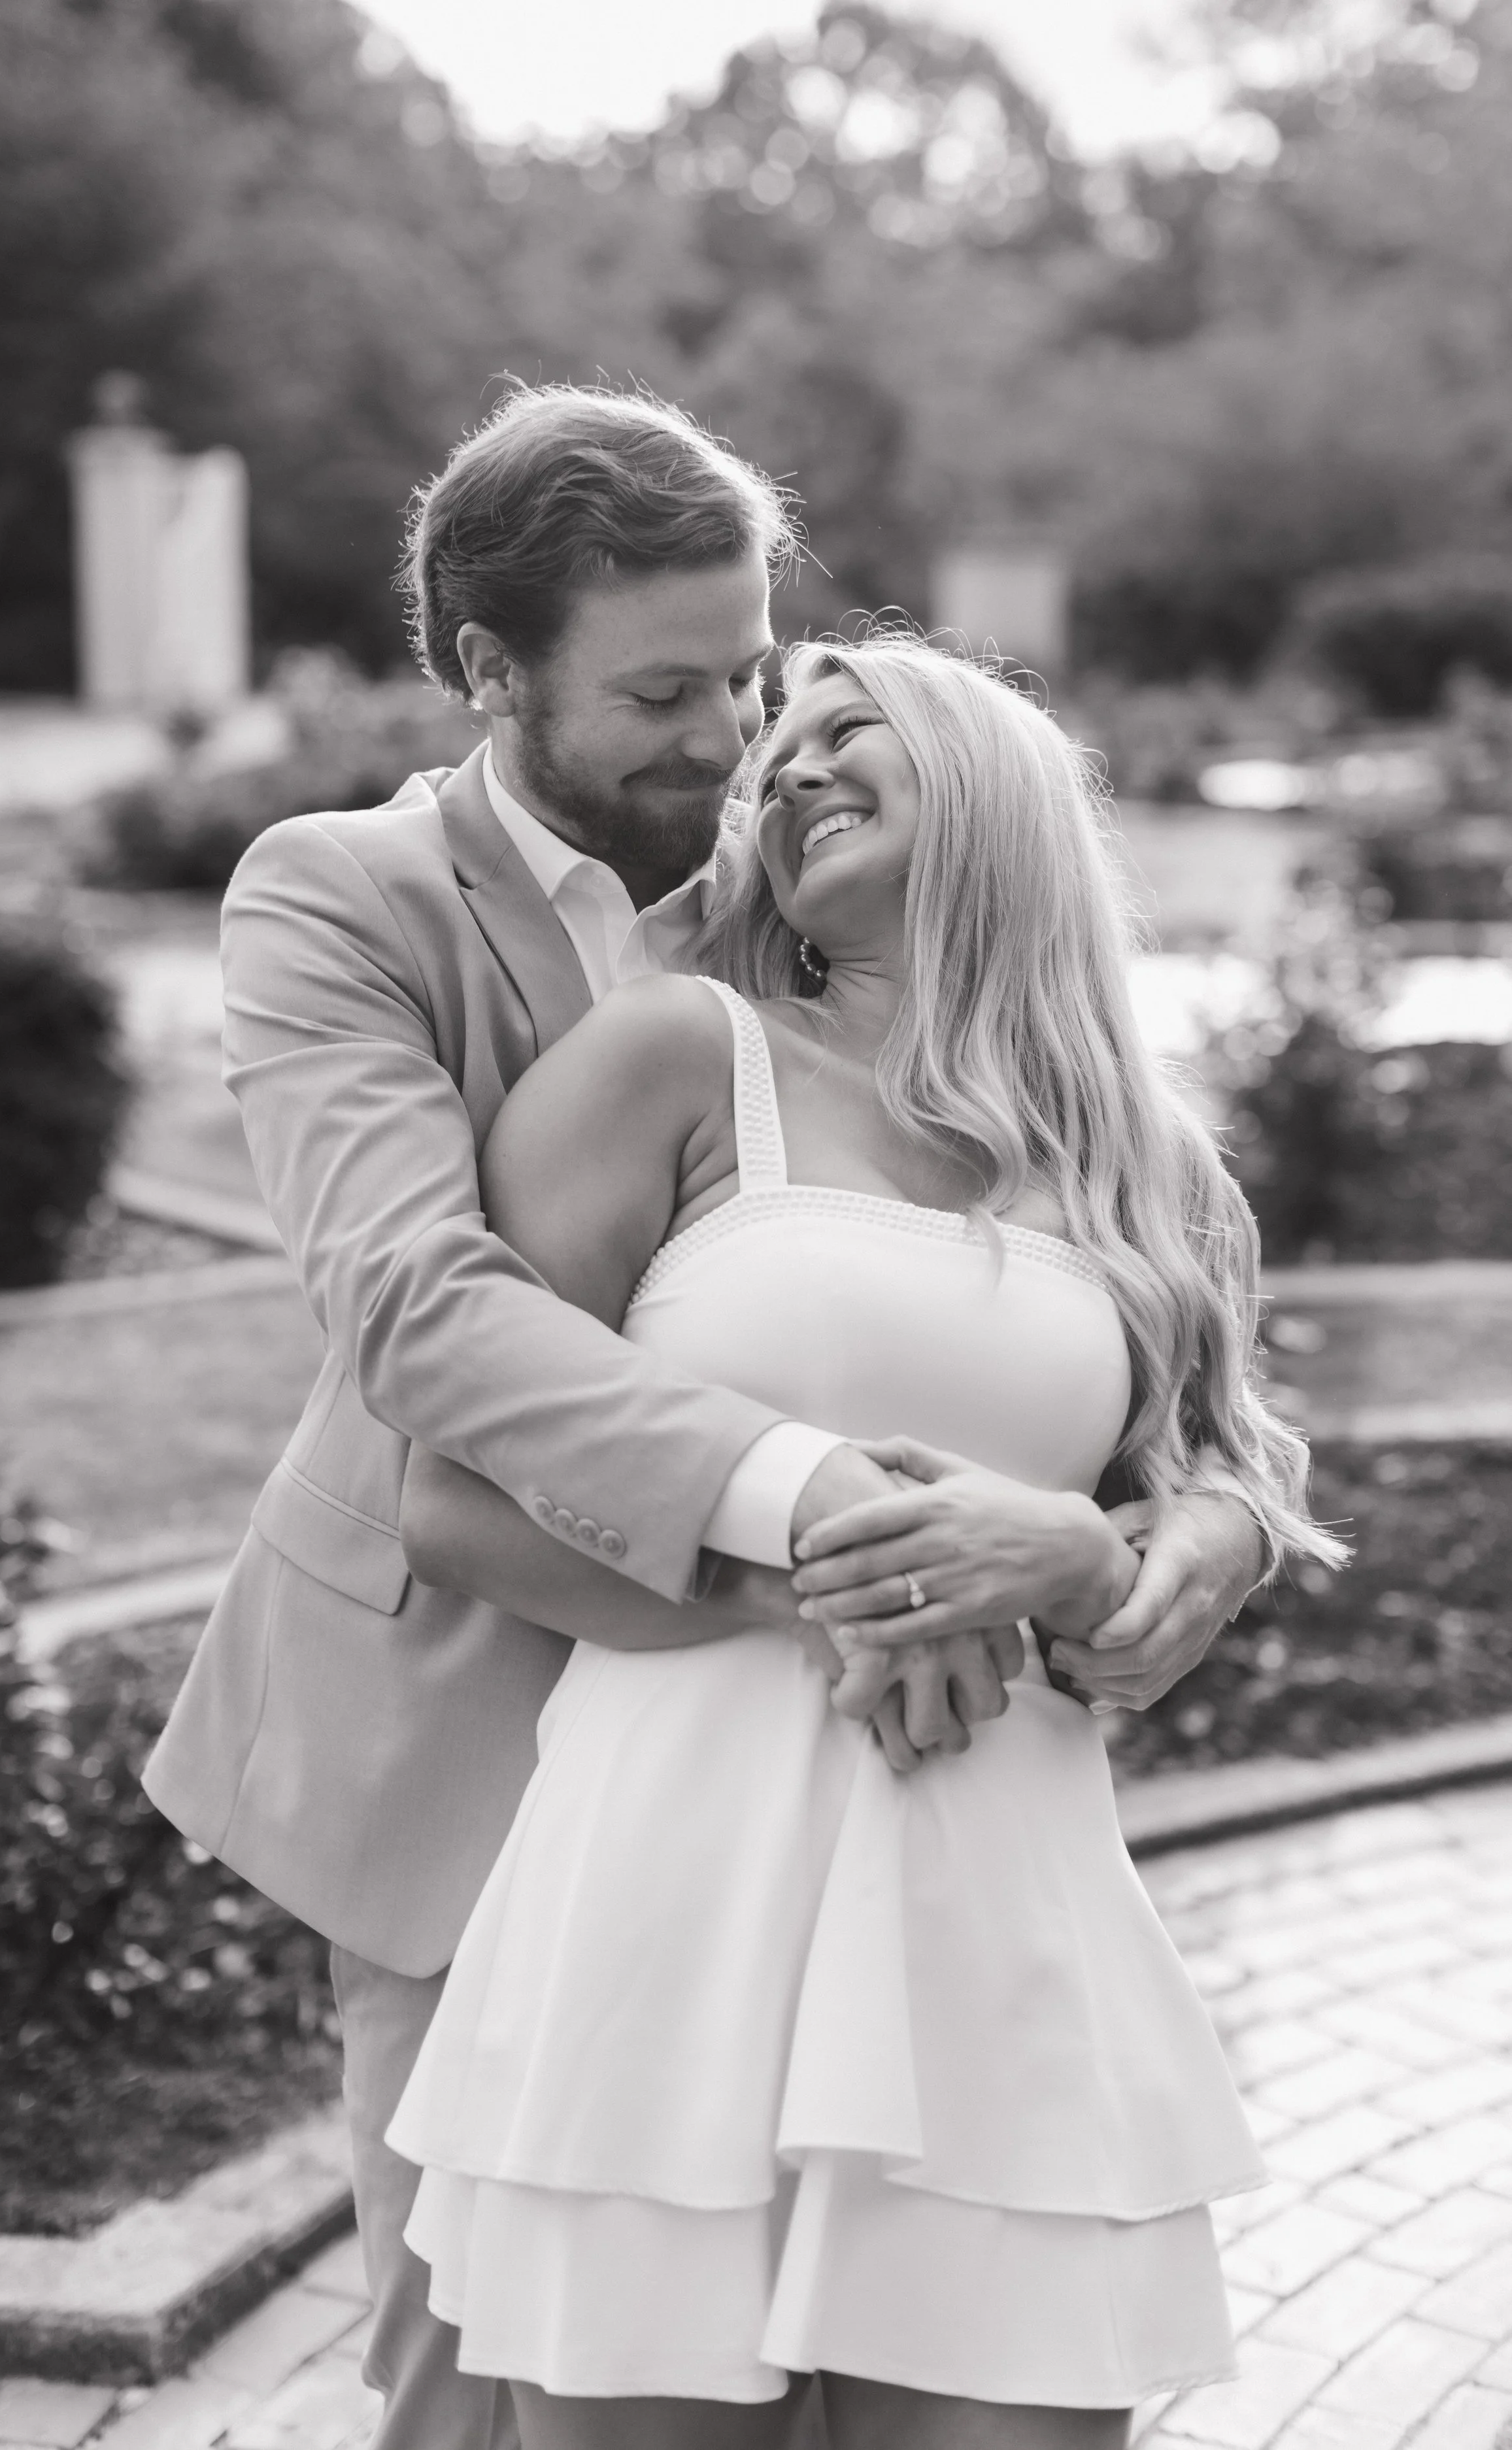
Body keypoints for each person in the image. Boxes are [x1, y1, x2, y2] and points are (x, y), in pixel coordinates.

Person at [143, 386, 1269, 2450]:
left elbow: (1180, 1403)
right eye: (667, 690)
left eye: (753, 670)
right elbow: (419, 1303)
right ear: (491, 671)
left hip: (934, 1823)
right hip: (476, 1745)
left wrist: (1134, 1548)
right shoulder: (345, 897)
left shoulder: (815, 931)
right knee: (469, 2395)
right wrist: (838, 1528)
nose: (736, 732)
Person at [384, 633, 1345, 2448]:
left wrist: (1105, 1550)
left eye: (849, 733)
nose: (789, 766)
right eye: (776, 753)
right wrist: (827, 1577)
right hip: (669, 1900)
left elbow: (1209, 1492)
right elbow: (452, 1495)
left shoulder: (1148, 1165)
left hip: (1001, 1917)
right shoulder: (677, 1057)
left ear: (988, 790)